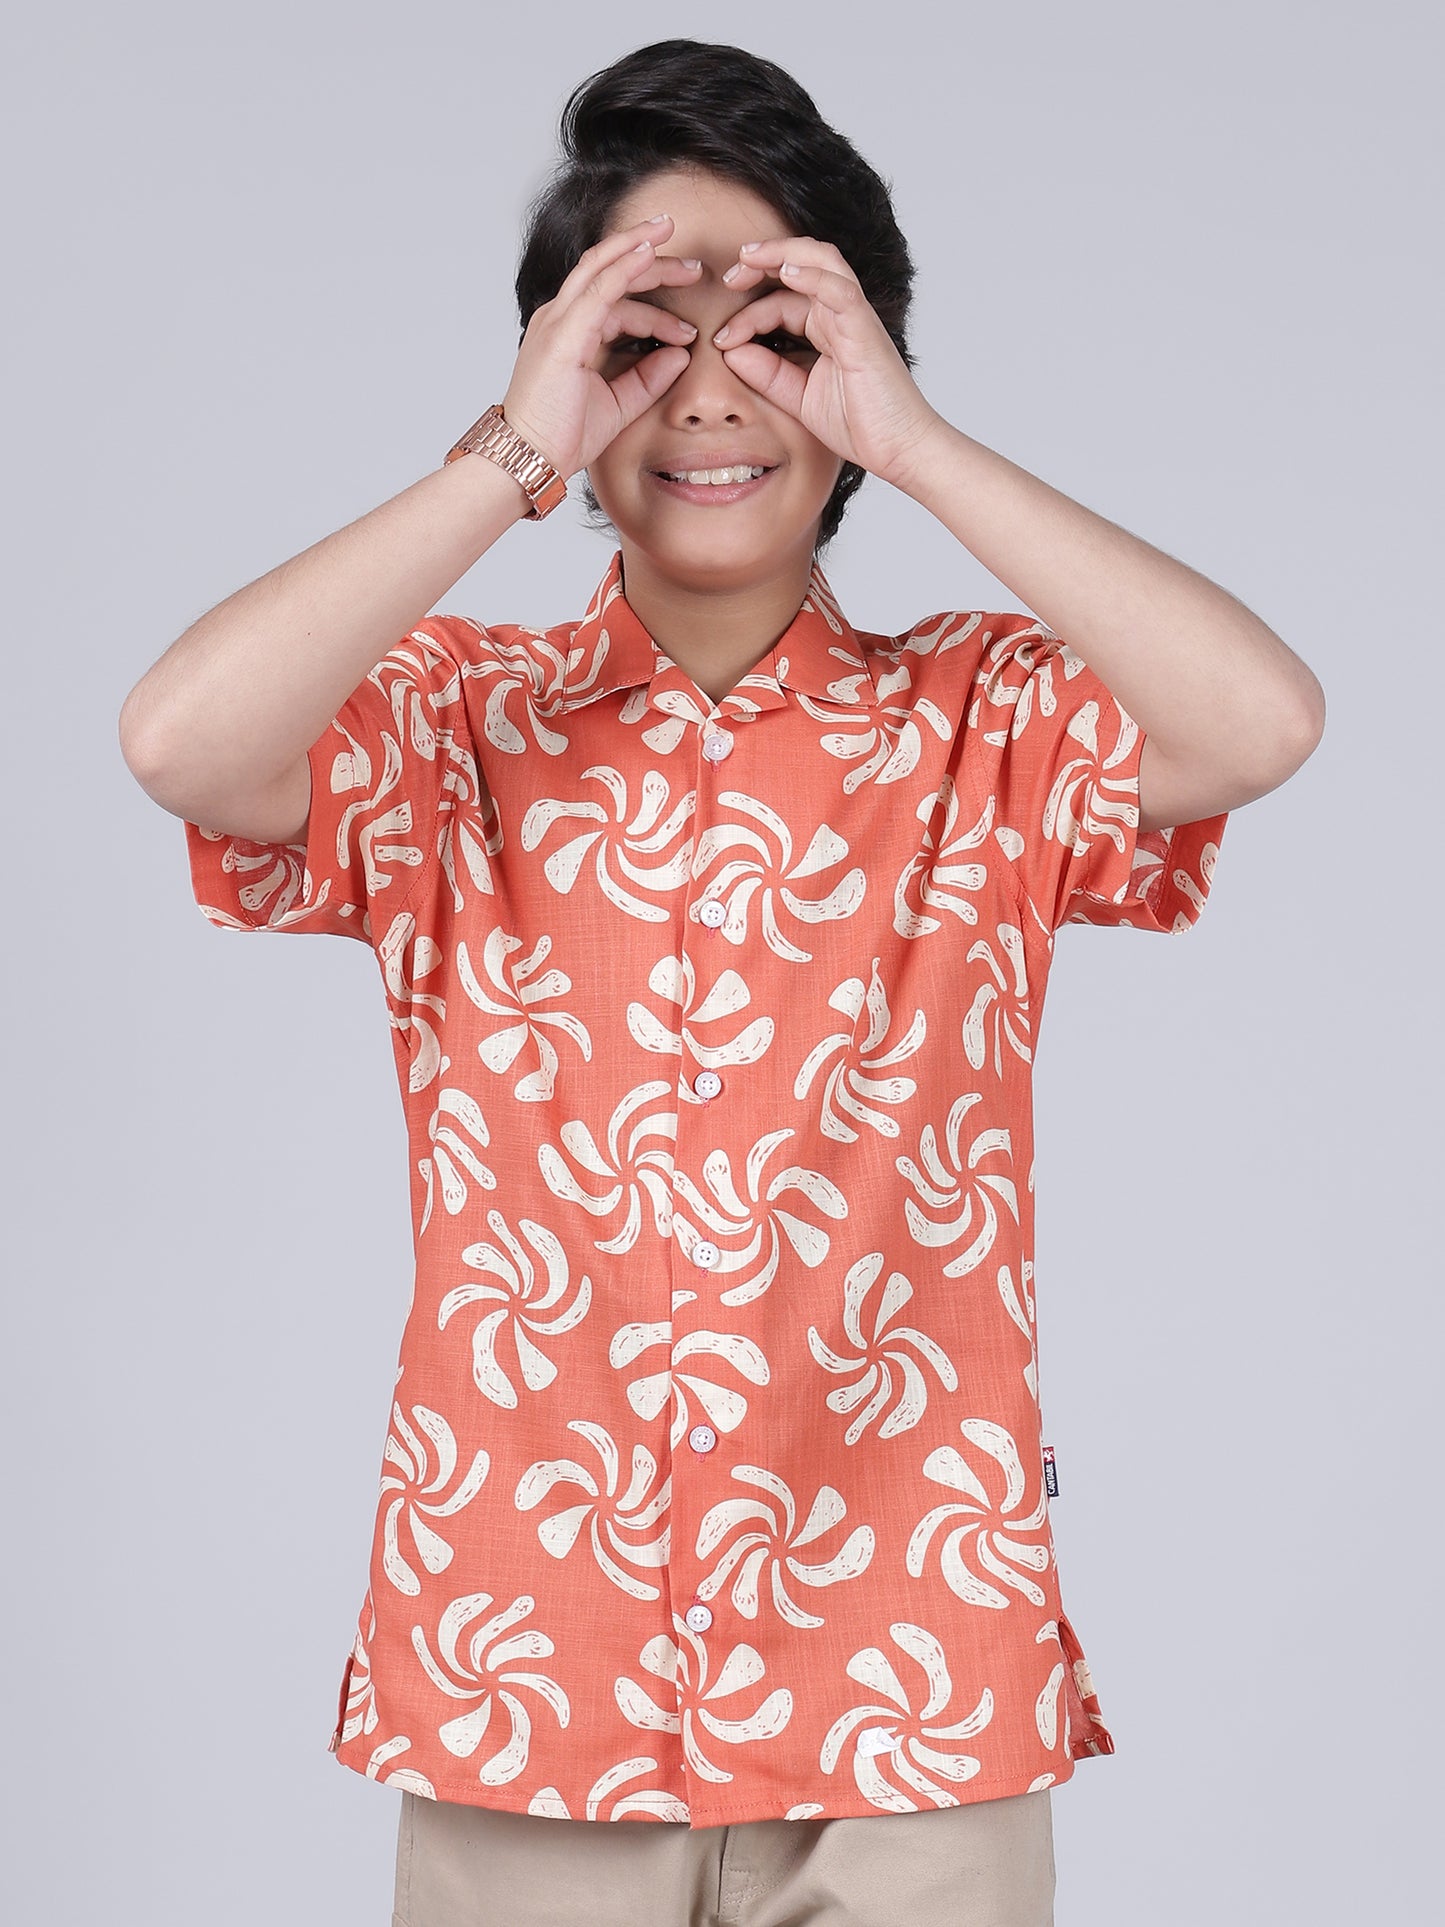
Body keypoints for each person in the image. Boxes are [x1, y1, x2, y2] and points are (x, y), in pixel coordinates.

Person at [117, 35, 1325, 1927]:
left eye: (765, 335)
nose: (702, 395)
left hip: (912, 1678)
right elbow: (179, 745)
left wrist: (914, 441)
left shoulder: (984, 723)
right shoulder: (448, 726)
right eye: (638, 336)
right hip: (529, 1674)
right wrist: (507, 451)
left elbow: (1260, 723)